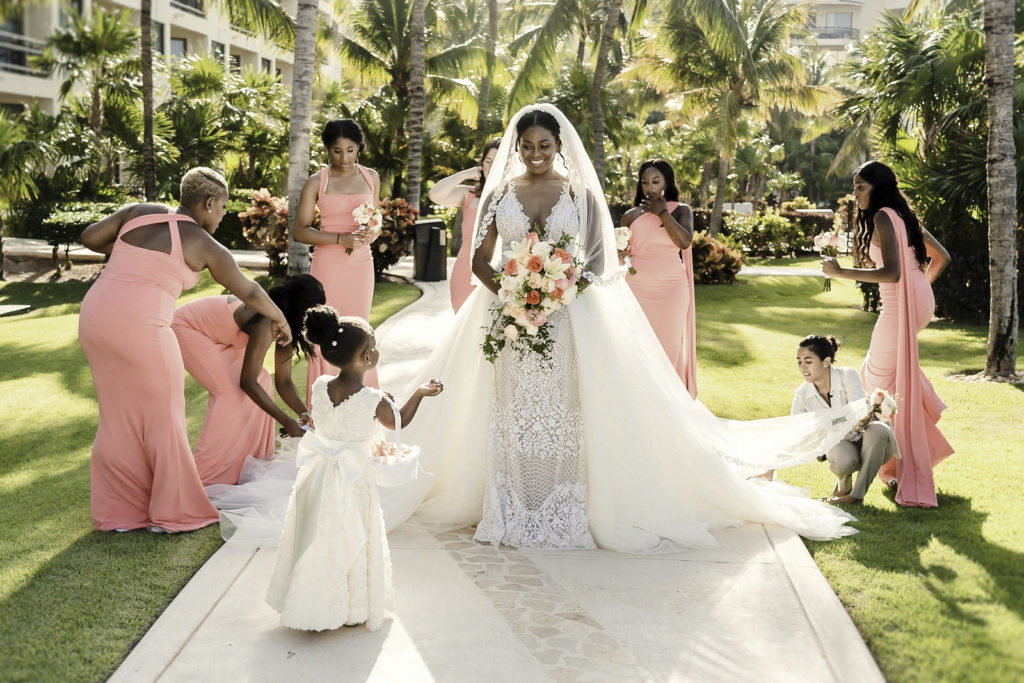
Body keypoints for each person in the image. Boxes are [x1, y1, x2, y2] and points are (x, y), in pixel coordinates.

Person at [382, 104, 872, 553]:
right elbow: (478, 260)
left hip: (571, 315)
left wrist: (558, 292)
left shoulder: (578, 194)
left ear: (559, 147)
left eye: (544, 146)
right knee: (512, 407)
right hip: (508, 319)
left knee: (569, 406)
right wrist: (513, 295)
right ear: (517, 149)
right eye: (526, 147)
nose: (535, 155)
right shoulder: (503, 193)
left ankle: (566, 500)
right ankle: (515, 503)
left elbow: (598, 259)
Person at [78, 167, 292, 533]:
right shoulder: (205, 244)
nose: (223, 215)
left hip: (95, 317)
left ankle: (120, 514)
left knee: (118, 418)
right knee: (164, 418)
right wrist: (282, 319)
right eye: (223, 207)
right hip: (141, 326)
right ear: (208, 203)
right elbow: (251, 292)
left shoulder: (138, 212)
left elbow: (89, 237)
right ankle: (174, 513)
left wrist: (126, 256)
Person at [266, 305, 442, 631]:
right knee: (352, 534)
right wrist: (419, 393)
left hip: (317, 476)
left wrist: (375, 402)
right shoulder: (372, 399)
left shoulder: (320, 386)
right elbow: (398, 421)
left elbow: (331, 420)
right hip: (352, 481)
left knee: (318, 537)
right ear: (365, 357)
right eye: (373, 346)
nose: (376, 350)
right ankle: (349, 606)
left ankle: (309, 600)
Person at [821, 160, 953, 508]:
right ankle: (893, 463)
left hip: (899, 310)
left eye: (860, 187)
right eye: (854, 187)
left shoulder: (883, 216)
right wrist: (919, 290)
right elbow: (941, 258)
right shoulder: (903, 215)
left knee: (873, 386)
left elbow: (893, 273)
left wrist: (840, 271)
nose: (855, 193)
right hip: (916, 304)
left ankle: (855, 482)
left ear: (877, 187)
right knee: (892, 385)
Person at [172, 275, 326, 486]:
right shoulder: (265, 323)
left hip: (218, 337)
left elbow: (284, 381)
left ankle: (244, 468)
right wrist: (285, 421)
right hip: (187, 328)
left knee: (262, 379)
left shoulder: (285, 326)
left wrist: (304, 414)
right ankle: (201, 478)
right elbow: (246, 382)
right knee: (228, 390)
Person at [293, 119, 382, 403]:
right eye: (336, 151)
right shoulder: (317, 181)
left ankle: (361, 403)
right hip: (328, 267)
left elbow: (376, 219)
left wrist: (372, 231)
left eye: (350, 150)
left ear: (359, 148)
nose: (344, 158)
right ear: (327, 150)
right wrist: (339, 239)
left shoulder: (371, 177)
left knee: (360, 329)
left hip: (361, 265)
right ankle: (323, 404)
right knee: (325, 330)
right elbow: (299, 230)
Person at [620, 159, 697, 396]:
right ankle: (642, 401)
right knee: (639, 348)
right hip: (636, 289)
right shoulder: (630, 216)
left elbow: (683, 241)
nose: (649, 187)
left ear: (667, 183)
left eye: (656, 181)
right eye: (645, 182)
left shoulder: (681, 210)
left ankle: (673, 402)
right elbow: (621, 257)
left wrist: (662, 211)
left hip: (671, 291)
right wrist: (622, 255)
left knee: (669, 347)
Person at [792, 335, 898, 505]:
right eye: (799, 362)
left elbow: (858, 413)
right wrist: (770, 464)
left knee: (878, 429)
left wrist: (860, 422)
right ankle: (842, 486)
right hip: (841, 445)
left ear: (826, 361)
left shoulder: (848, 375)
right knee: (843, 459)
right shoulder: (802, 395)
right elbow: (794, 431)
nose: (803, 367)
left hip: (874, 443)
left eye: (808, 361)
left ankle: (855, 496)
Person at [428, 138, 502, 312]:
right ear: (481, 164)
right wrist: (464, 174)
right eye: (488, 161)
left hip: (499, 273)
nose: (491, 168)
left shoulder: (516, 197)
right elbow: (435, 195)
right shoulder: (468, 194)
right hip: (465, 271)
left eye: (497, 162)